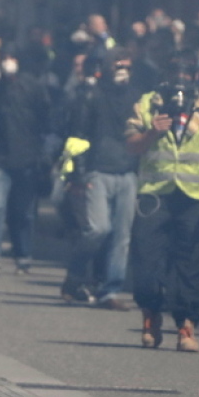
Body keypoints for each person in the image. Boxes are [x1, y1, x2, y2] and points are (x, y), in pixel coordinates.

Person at [125, 50, 199, 352]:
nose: (181, 78)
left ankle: (186, 326)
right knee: (147, 259)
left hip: (195, 196)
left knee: (190, 261)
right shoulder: (150, 102)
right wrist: (153, 131)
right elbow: (132, 145)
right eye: (176, 71)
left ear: (196, 75)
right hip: (156, 194)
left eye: (187, 72)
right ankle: (150, 317)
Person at [58, 49, 142, 310]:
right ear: (106, 67)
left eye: (127, 66)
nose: (122, 71)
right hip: (97, 171)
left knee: (122, 236)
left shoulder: (137, 98)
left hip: (128, 173)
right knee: (98, 229)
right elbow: (78, 137)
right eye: (118, 65)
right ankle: (75, 274)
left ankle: (110, 290)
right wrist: (79, 176)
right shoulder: (91, 97)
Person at [0, 44, 51, 275]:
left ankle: (23, 255)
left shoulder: (34, 88)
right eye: (4, 58)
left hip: (27, 159)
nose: (7, 62)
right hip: (0, 158)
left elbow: (45, 118)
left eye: (11, 57)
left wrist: (42, 152)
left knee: (24, 211)